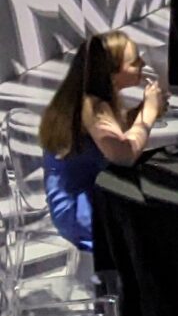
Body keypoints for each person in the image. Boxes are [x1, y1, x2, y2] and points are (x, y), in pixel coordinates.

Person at [38, 31, 166, 250]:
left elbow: (111, 136)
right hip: (81, 211)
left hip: (84, 194)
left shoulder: (85, 96)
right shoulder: (92, 106)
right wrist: (149, 113)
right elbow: (124, 155)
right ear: (112, 74)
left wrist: (138, 113)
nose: (143, 64)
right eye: (134, 62)